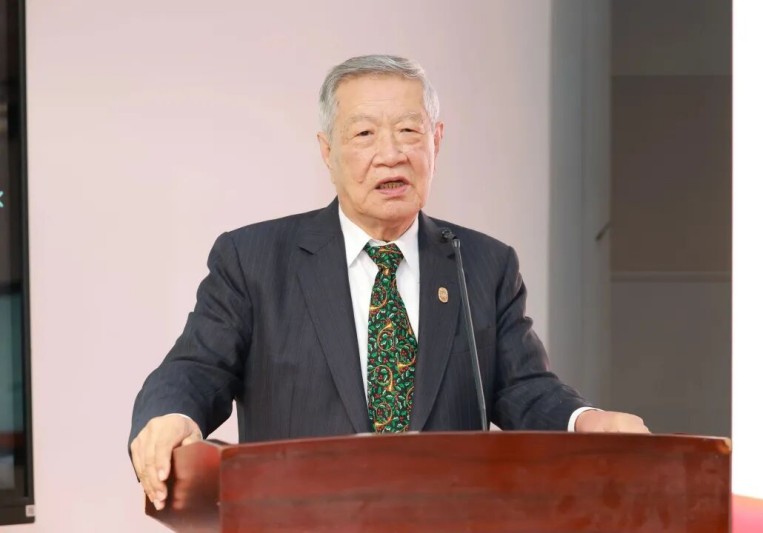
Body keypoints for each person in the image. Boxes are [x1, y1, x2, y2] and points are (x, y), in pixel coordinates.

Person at [129, 55, 648, 510]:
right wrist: (170, 415)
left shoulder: (482, 263)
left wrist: (586, 420)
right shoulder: (254, 260)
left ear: (436, 141)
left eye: (409, 131)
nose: (392, 153)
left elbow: (523, 387)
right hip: (299, 521)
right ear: (327, 151)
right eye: (364, 134)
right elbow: (198, 367)